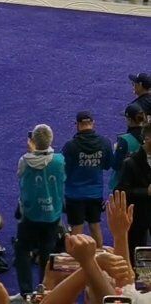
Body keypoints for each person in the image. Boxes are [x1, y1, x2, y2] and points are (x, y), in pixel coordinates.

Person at [14, 123, 66, 296]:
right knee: (47, 252)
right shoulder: (59, 160)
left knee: (22, 249)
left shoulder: (25, 160)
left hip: (30, 213)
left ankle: (26, 291)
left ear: (33, 141)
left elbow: (20, 175)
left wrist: (32, 152)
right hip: (51, 214)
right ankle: (44, 289)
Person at [61, 110, 113, 247]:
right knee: (95, 226)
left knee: (76, 229)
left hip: (74, 194)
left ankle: (74, 262)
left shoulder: (70, 146)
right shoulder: (105, 143)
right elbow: (108, 165)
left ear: (77, 125)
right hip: (95, 193)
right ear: (93, 123)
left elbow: (63, 169)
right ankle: (100, 258)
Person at [118, 121, 151, 261]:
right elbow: (121, 192)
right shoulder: (130, 163)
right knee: (137, 257)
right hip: (139, 216)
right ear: (147, 139)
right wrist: (146, 192)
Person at [110, 104, 146, 192]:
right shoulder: (148, 138)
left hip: (123, 186)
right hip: (143, 185)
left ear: (129, 120)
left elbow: (116, 165)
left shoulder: (124, 140)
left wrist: (116, 150)